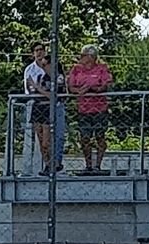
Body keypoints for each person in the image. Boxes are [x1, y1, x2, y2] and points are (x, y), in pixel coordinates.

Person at [67, 44, 113, 174]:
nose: (80, 58)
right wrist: (80, 91)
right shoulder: (76, 69)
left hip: (99, 108)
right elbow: (71, 87)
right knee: (84, 138)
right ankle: (88, 165)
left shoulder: (102, 68)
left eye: (83, 55)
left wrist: (91, 89)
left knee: (100, 136)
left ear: (91, 57)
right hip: (83, 109)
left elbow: (104, 86)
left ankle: (98, 165)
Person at [24, 42, 64, 174]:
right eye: (36, 50)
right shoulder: (39, 75)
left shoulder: (57, 76)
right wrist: (35, 89)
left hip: (49, 109)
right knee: (41, 140)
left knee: (48, 140)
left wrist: (37, 88)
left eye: (46, 64)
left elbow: (53, 95)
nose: (44, 66)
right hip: (37, 107)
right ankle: (47, 165)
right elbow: (30, 91)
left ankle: (54, 162)